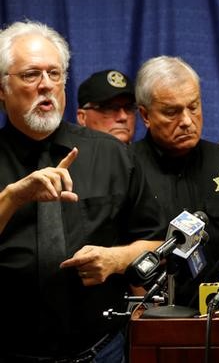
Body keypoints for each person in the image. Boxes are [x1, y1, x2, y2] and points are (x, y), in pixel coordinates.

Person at [0, 20, 159, 361]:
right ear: (2, 88)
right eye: (31, 75)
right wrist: (12, 198)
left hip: (101, 350)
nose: (46, 85)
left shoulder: (111, 155)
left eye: (54, 74)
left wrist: (117, 259)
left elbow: (159, 242)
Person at [130, 56, 219, 309]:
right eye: (171, 112)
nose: (186, 121)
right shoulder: (126, 169)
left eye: (193, 107)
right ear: (145, 115)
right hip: (151, 313)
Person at [76, 69, 137, 143]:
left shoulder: (147, 154)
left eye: (129, 108)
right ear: (82, 118)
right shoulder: (71, 154)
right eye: (109, 108)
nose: (123, 117)